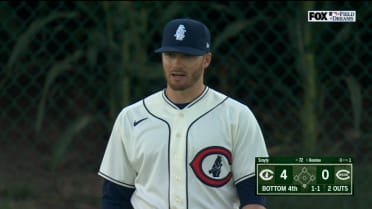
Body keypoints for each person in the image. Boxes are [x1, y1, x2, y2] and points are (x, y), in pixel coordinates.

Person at [98, 17, 269, 209]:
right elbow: (114, 198)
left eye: (187, 56)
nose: (176, 64)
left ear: (206, 60)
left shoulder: (237, 116)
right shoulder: (131, 117)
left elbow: (254, 198)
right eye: (170, 55)